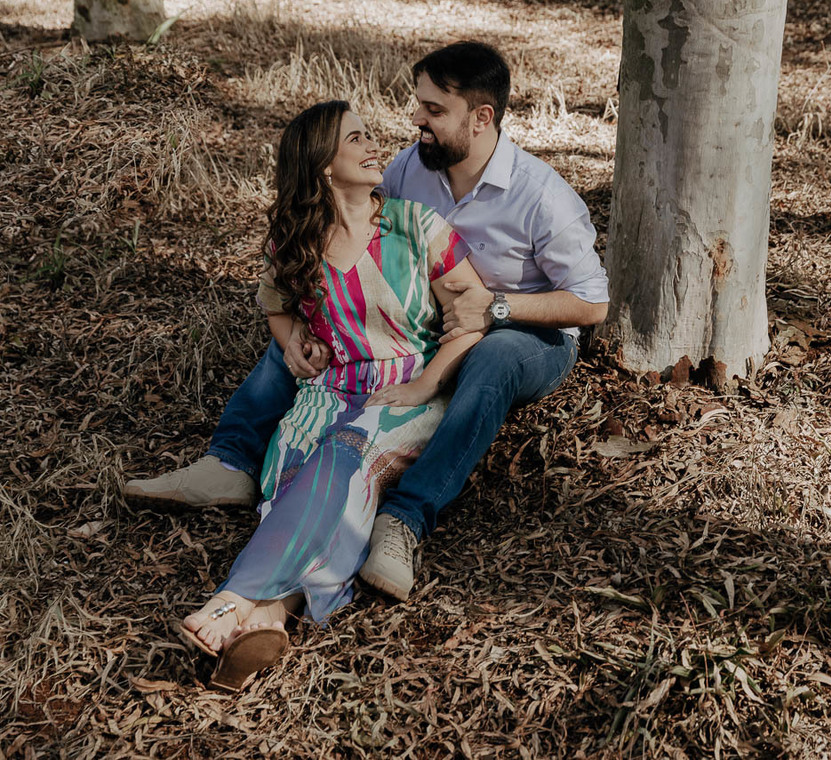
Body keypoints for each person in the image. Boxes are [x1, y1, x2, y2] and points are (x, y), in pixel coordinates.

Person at [127, 41, 610, 602]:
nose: (416, 120)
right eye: (418, 105)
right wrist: (309, 325)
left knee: (490, 358)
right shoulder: (411, 167)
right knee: (318, 331)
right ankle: (231, 459)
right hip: (431, 316)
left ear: (481, 118)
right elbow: (370, 236)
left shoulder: (542, 196)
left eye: (433, 109)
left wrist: (497, 308)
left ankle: (405, 518)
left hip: (527, 329)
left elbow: (591, 303)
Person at [179, 99, 484, 690]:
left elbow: (471, 317)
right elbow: (277, 308)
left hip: (403, 390)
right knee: (292, 470)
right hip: (327, 387)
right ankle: (267, 619)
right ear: (321, 164)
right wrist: (294, 343)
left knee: (343, 457)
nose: (376, 146)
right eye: (356, 139)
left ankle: (231, 599)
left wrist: (424, 383)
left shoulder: (417, 227)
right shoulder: (294, 242)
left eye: (369, 135)